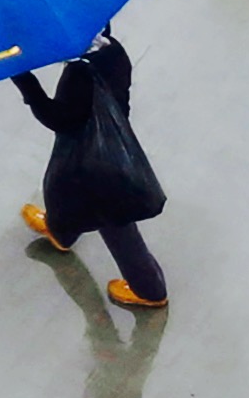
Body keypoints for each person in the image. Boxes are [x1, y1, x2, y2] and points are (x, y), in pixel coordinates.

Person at [16, 34, 170, 308]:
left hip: (97, 165)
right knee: (62, 191)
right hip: (100, 144)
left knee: (113, 221)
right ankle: (60, 232)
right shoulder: (112, 50)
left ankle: (150, 290)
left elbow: (57, 118)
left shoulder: (81, 74)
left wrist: (24, 80)